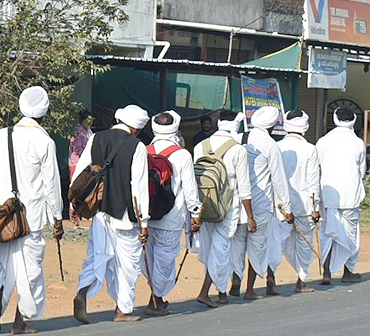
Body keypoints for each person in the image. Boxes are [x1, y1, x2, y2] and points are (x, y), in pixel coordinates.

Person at [0, 86, 63, 334]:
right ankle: (20, 321)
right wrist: (58, 217)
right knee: (30, 269)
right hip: (32, 217)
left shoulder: (1, 135)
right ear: (44, 111)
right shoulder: (44, 141)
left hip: (4, 216)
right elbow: (51, 183)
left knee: (5, 264)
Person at [72, 104, 151, 324]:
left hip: (99, 211)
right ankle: (122, 310)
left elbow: (81, 172)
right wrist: (143, 221)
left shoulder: (96, 138)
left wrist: (74, 203)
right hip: (124, 214)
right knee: (128, 263)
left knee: (97, 255)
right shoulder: (137, 146)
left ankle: (82, 292)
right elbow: (139, 187)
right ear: (136, 128)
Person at [231, 106, 293, 300]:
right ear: (273, 125)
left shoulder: (240, 138)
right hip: (260, 205)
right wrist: (287, 208)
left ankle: (235, 282)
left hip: (239, 203)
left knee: (238, 246)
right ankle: (249, 290)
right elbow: (279, 180)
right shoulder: (270, 145)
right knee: (257, 247)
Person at [143, 111, 202, 316]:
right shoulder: (182, 154)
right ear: (176, 128)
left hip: (147, 215)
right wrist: (195, 213)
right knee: (165, 259)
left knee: (149, 258)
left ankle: (155, 296)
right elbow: (190, 188)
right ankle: (156, 299)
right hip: (171, 216)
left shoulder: (144, 150)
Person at [194, 111, 254, 307]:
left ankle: (221, 292)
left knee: (211, 248)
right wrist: (250, 216)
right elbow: (244, 187)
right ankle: (205, 292)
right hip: (228, 205)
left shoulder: (200, 146)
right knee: (220, 249)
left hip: (203, 204)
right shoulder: (238, 150)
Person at [317, 108, 366, 284]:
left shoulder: (323, 141)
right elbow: (362, 171)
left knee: (328, 232)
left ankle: (326, 272)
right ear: (353, 121)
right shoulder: (358, 142)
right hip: (350, 195)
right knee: (350, 233)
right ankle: (348, 271)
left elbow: (318, 167)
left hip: (328, 195)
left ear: (335, 119)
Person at [276, 110, 320, 293]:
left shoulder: (276, 146)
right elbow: (313, 181)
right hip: (303, 205)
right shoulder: (310, 149)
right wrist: (315, 207)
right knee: (304, 243)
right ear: (306, 126)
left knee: (277, 242)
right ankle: (301, 280)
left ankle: (271, 278)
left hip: (280, 205)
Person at [68, 110, 94, 179]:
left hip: (86, 164)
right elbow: (77, 149)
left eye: (91, 120)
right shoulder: (78, 132)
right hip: (76, 164)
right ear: (83, 120)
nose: (90, 123)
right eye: (88, 120)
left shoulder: (88, 131)